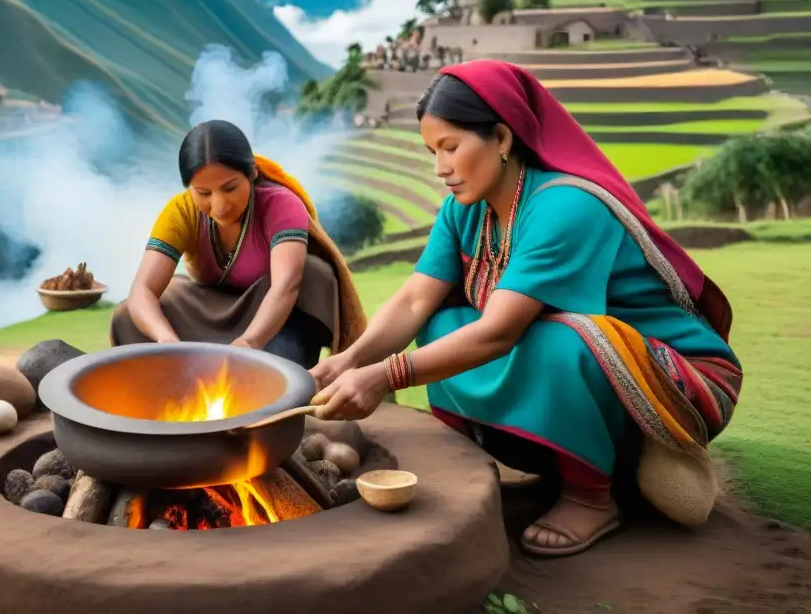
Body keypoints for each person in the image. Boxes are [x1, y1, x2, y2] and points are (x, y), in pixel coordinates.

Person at [309, 59, 742, 558]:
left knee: (557, 342)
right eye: (432, 152)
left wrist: (386, 376)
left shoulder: (567, 207)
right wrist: (350, 359)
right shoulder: (462, 210)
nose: (439, 168)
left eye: (451, 147)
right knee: (441, 323)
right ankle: (471, 463)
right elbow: (413, 299)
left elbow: (499, 333)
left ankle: (592, 497)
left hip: (673, 380)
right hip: (580, 382)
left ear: (501, 137)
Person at [110, 119, 366, 369]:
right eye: (204, 193)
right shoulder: (180, 212)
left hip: (276, 315)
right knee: (128, 315)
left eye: (230, 188)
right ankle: (175, 384)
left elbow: (286, 285)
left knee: (313, 273)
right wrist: (167, 341)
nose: (219, 206)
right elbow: (142, 290)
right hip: (209, 309)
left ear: (252, 172)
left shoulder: (280, 205)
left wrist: (249, 342)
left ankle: (280, 372)